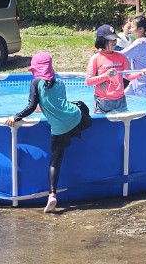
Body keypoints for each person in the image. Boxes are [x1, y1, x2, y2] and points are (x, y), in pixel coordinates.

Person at [9, 52, 92, 213]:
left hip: (59, 129)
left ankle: (52, 195)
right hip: (76, 119)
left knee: (56, 161)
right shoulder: (59, 81)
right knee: (82, 108)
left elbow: (31, 107)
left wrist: (15, 116)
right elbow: (61, 102)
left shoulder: (35, 83)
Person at [86, 24, 146, 114]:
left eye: (115, 39)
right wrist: (106, 76)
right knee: (103, 126)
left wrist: (141, 73)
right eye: (111, 40)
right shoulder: (95, 59)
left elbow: (128, 76)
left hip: (121, 101)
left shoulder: (121, 57)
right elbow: (88, 82)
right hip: (102, 102)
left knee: (124, 126)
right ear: (102, 41)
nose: (114, 42)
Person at [120, 15, 146, 98]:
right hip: (135, 82)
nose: (130, 30)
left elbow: (123, 54)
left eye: (132, 27)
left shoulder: (140, 42)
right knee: (120, 99)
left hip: (143, 85)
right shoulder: (142, 41)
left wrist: (106, 52)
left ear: (140, 29)